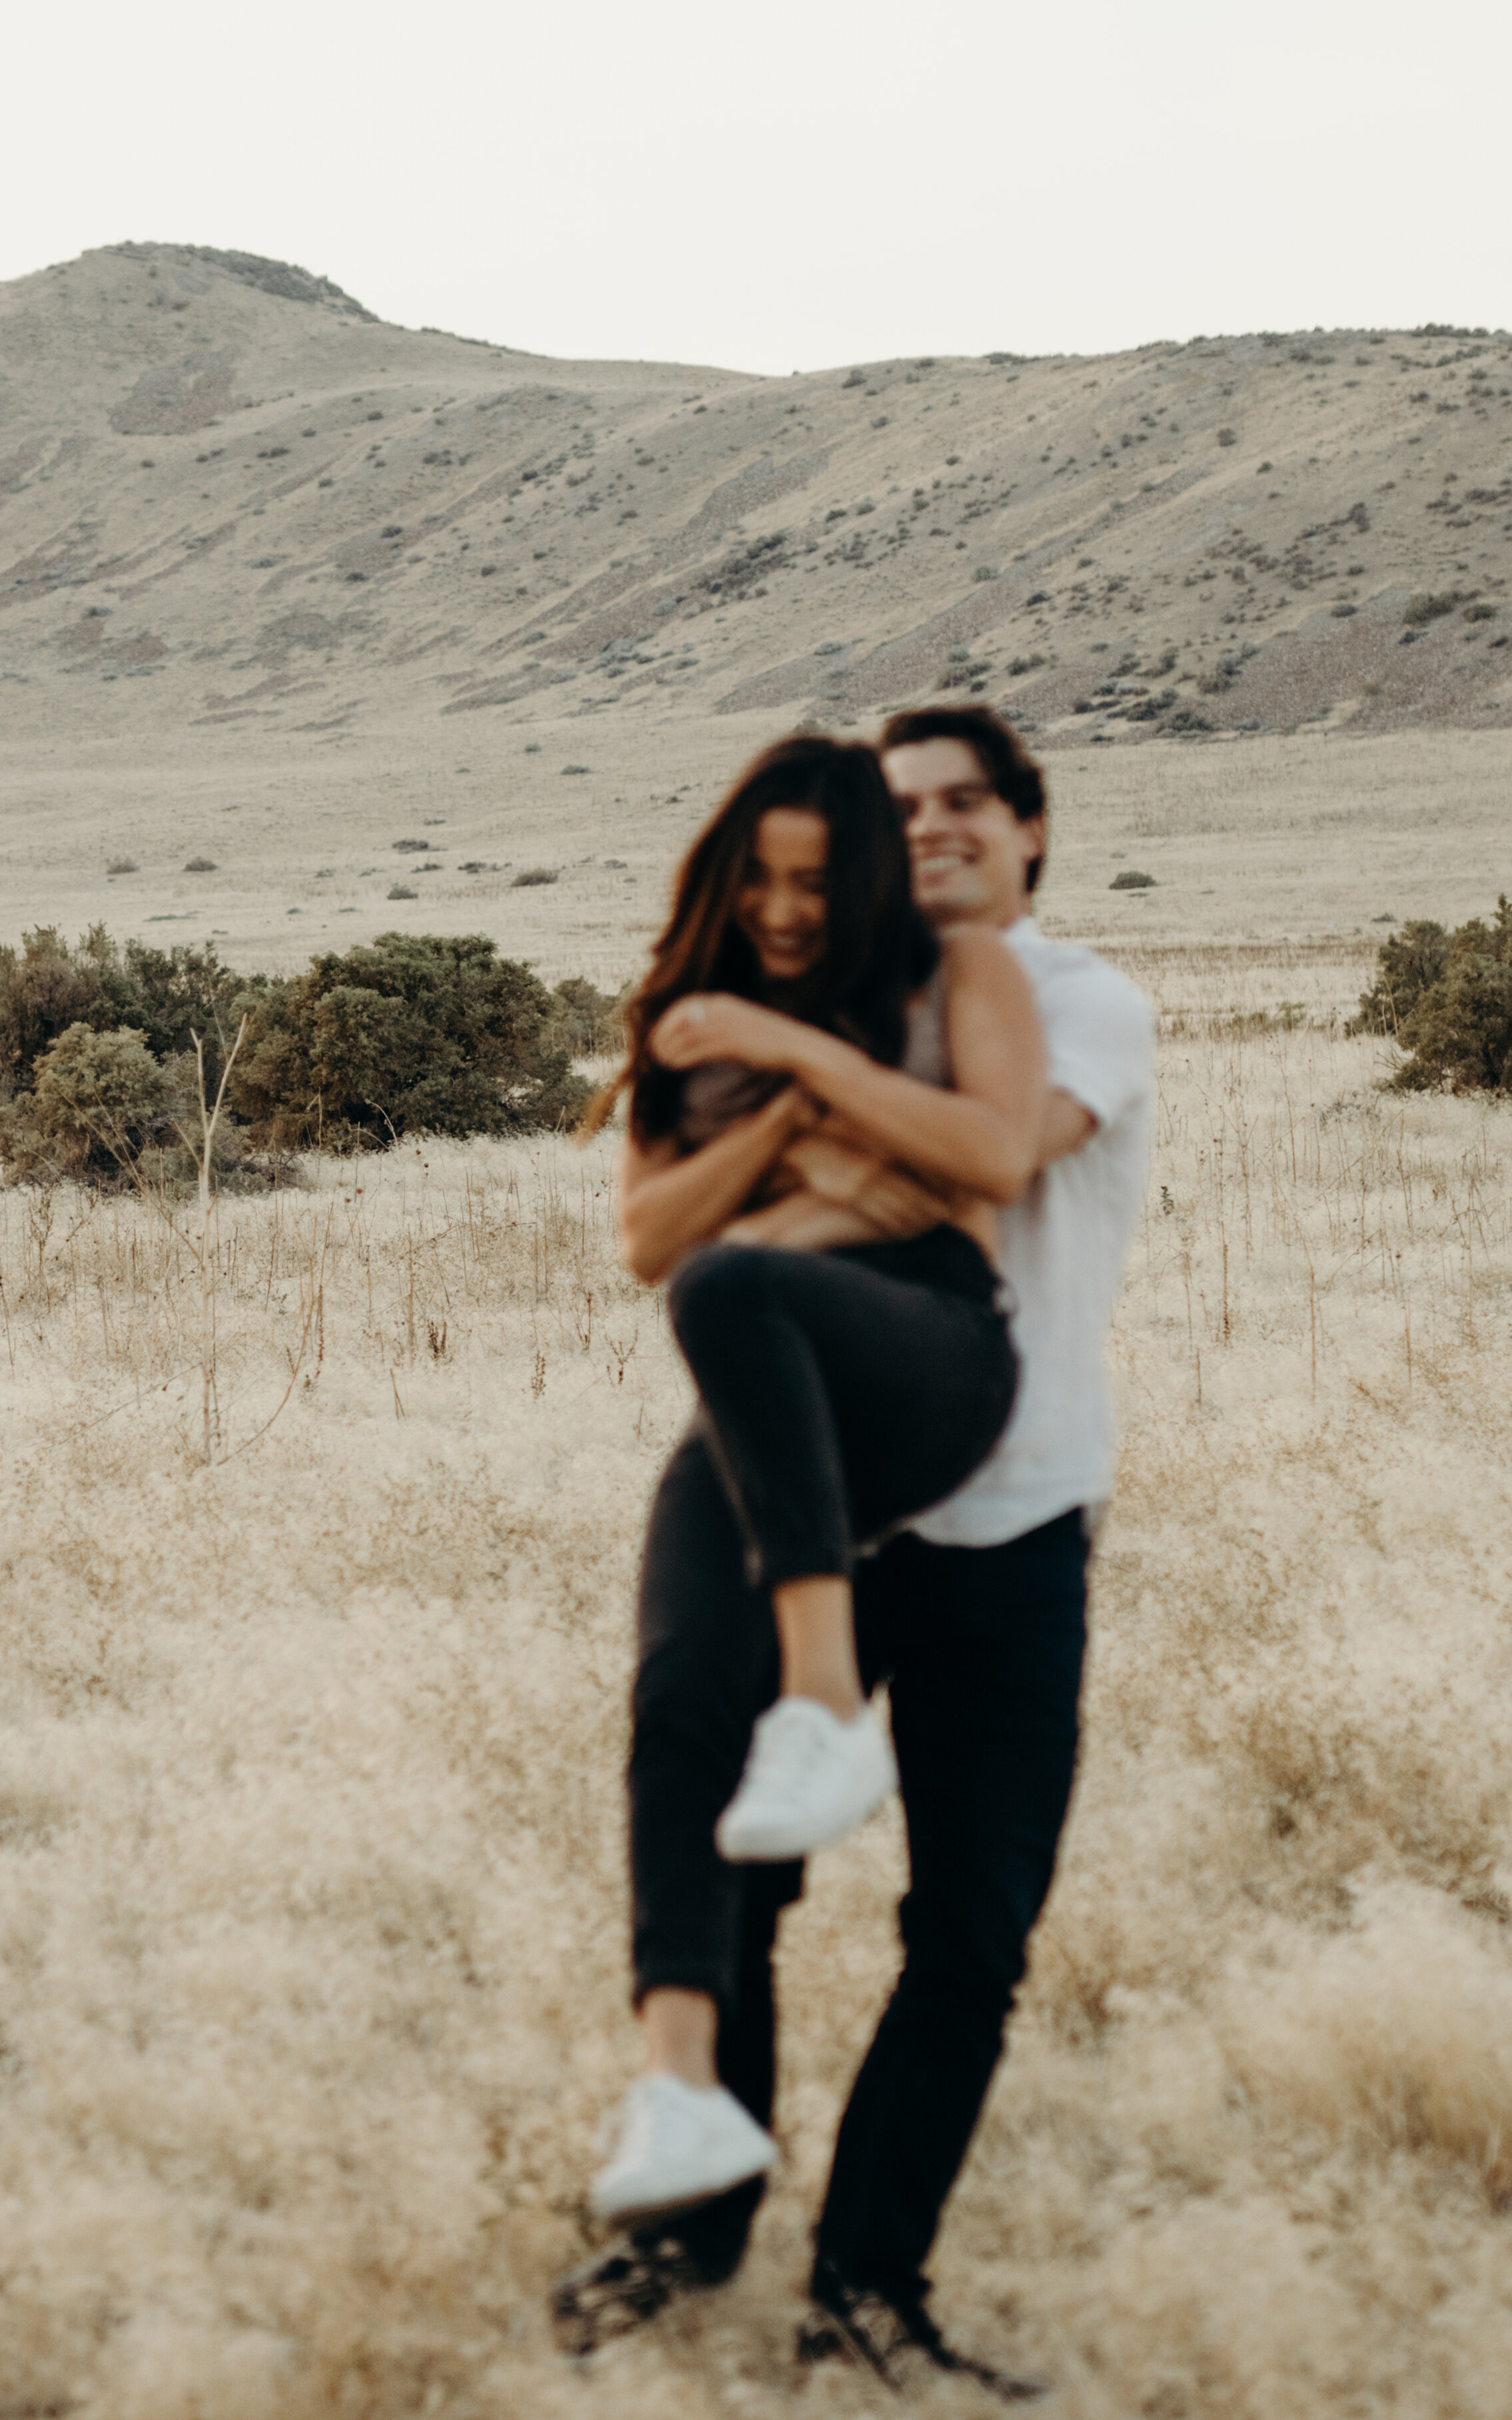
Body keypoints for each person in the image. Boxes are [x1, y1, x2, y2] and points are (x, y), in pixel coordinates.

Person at [555, 708, 1155, 2397]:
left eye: (969, 801)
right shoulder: (827, 984)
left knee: (970, 1927)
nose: (936, 828)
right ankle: (691, 2233)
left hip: (1013, 1505)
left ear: (1033, 828)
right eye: (905, 808)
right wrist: (783, 1122)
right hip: (817, 1496)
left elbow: (985, 1153)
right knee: (734, 1861)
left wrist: (806, 1110)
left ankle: (868, 2291)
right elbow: (681, 1238)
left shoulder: (1069, 997)